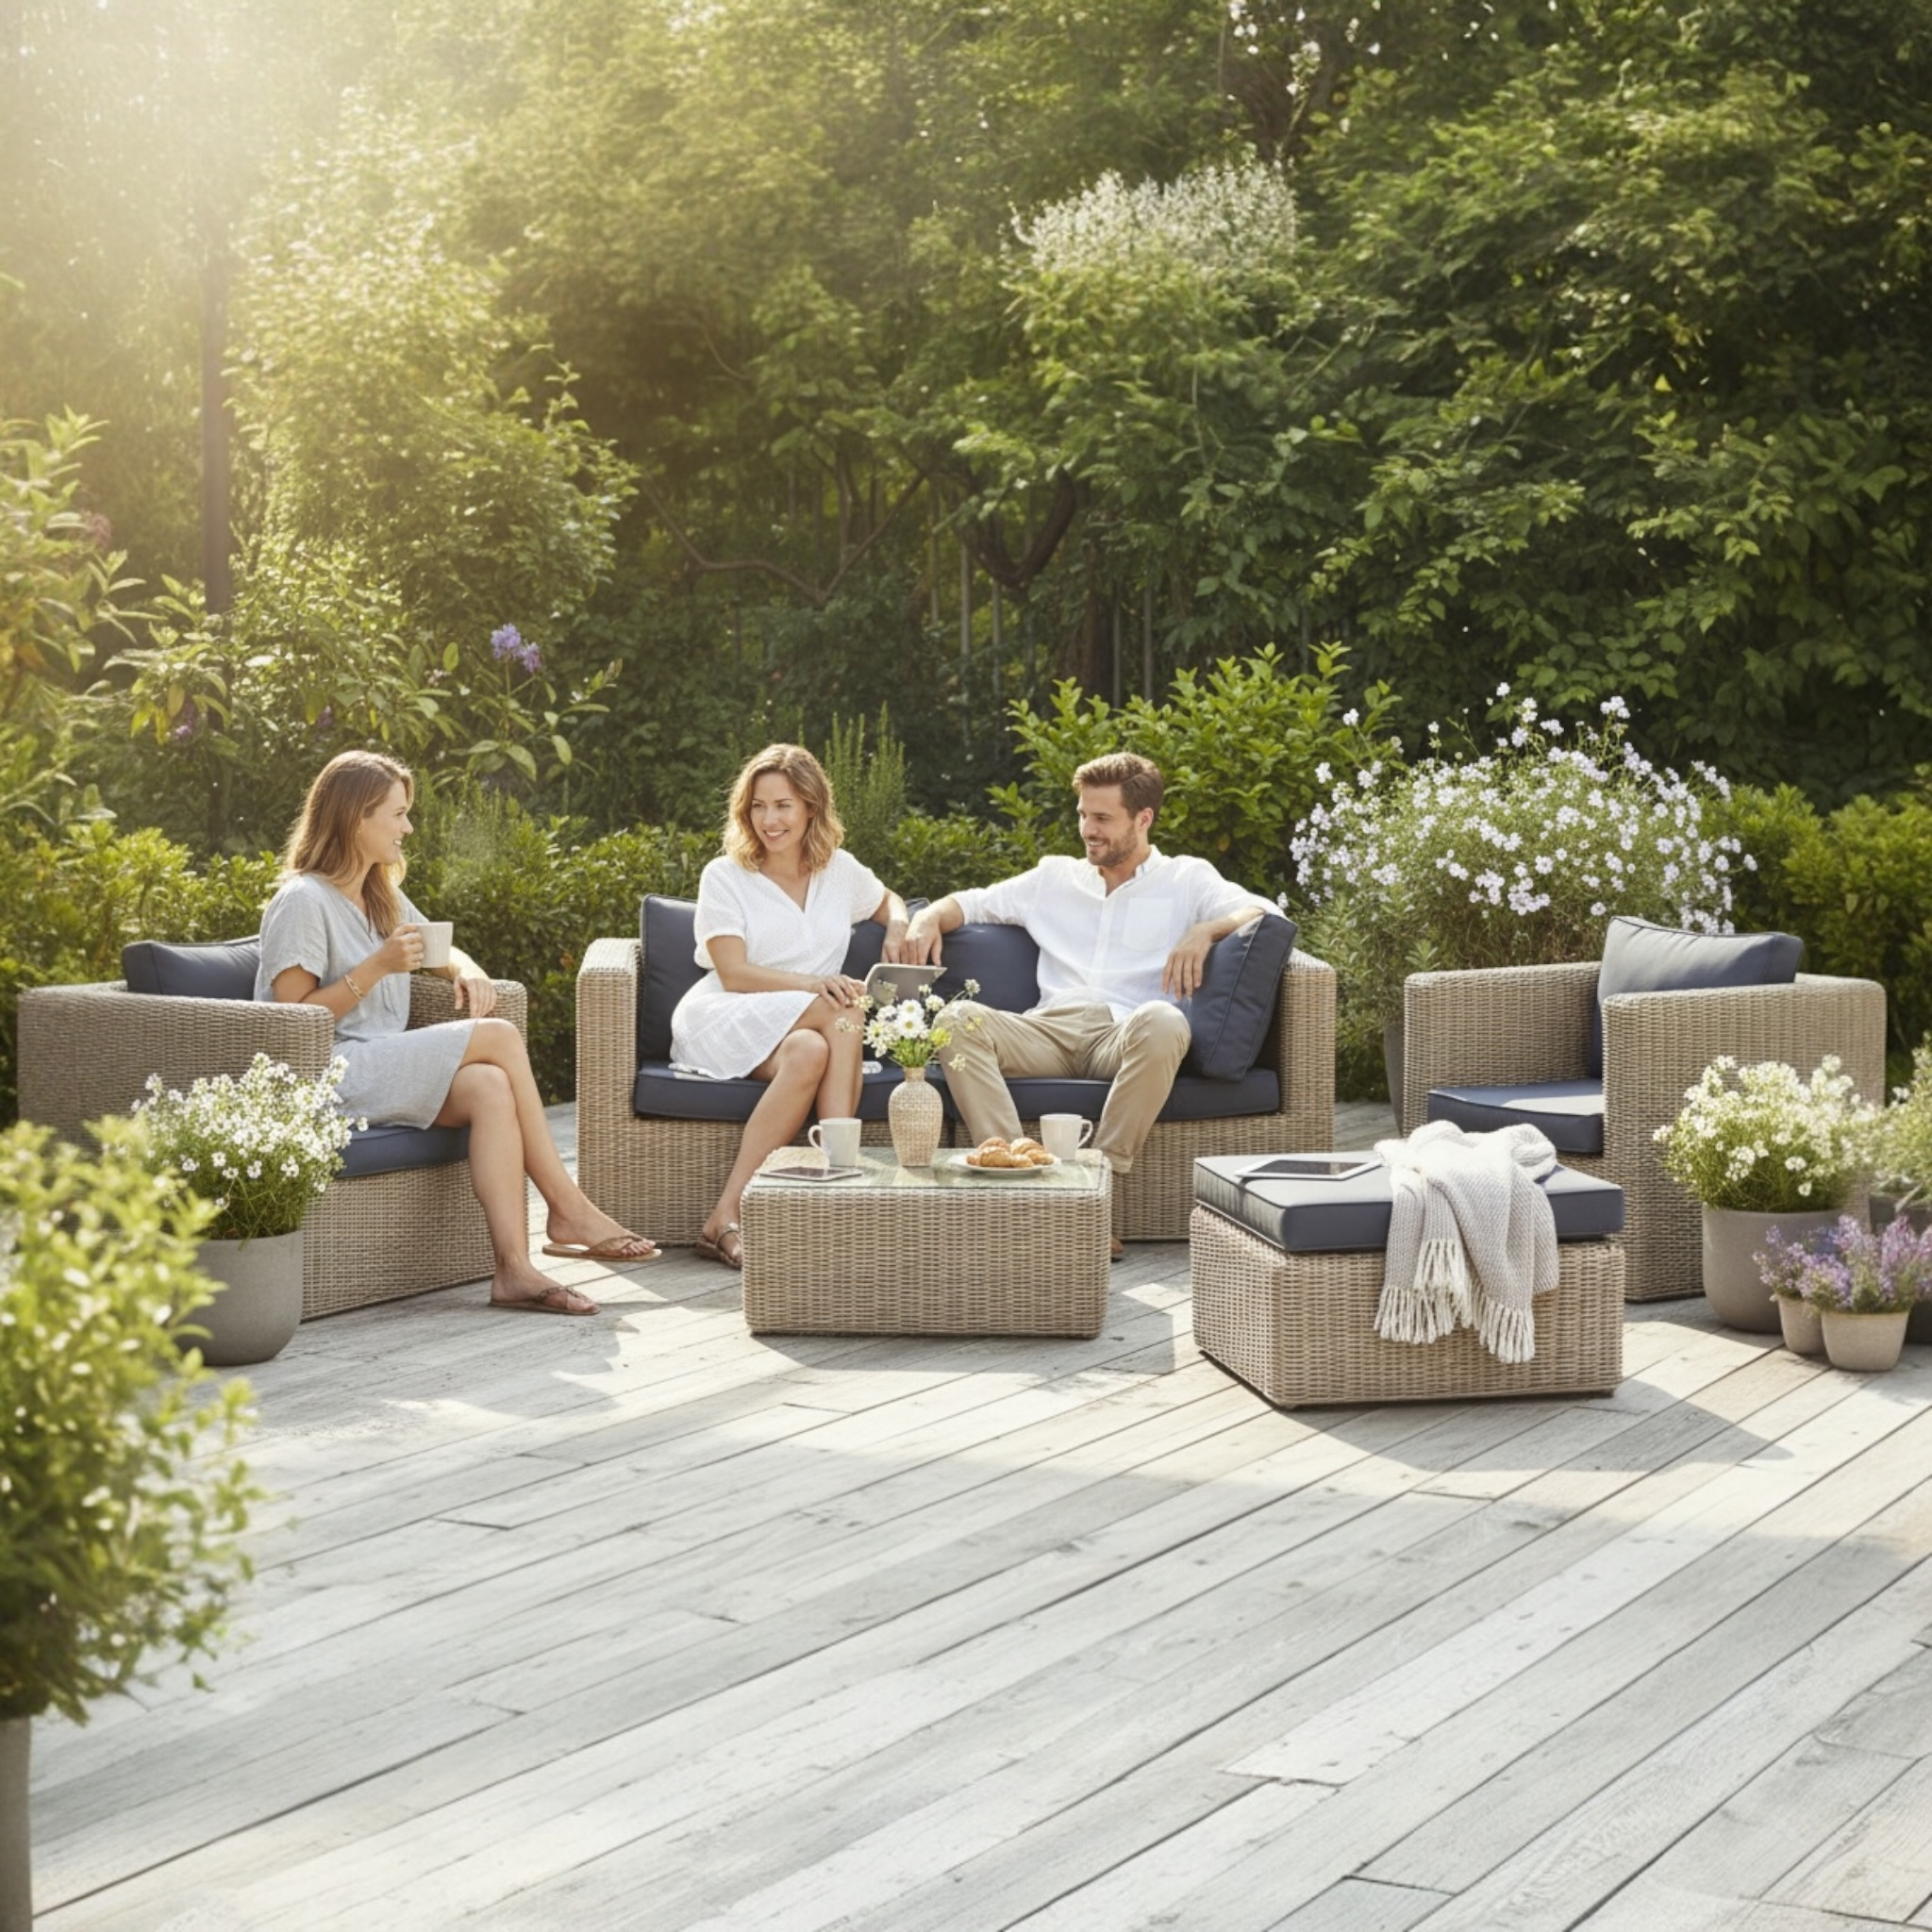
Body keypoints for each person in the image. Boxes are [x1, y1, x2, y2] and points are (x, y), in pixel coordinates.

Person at [256, 750, 658, 1317]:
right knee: (495, 1037)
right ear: (356, 819)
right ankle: (565, 1205)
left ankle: (513, 1270)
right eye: (397, 814)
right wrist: (377, 967)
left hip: (377, 1064)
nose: (408, 827)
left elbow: (442, 949)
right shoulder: (303, 900)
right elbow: (292, 1021)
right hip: (325, 1071)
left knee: (491, 1087)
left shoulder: (379, 895)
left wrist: (466, 970)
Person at [901, 752, 1275, 1257]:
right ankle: (1027, 1181)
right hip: (1046, 1033)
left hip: (1123, 1035)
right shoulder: (1053, 878)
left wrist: (1207, 929)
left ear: (1143, 819)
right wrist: (925, 920)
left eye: (1102, 818)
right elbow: (969, 902)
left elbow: (1265, 912)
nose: (1087, 829)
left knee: (1166, 1020)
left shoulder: (1186, 879)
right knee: (955, 1019)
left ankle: (1096, 1191)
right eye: (1082, 814)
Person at [672, 743, 912, 1268]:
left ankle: (723, 1218)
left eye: (782, 805)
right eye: (758, 806)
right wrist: (813, 986)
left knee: (808, 1051)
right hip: (724, 1013)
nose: (769, 820)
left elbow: (888, 898)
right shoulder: (725, 875)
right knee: (846, 1007)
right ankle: (837, 1179)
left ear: (810, 807)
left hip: (794, 1029)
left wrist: (897, 925)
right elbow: (733, 973)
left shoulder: (838, 871)